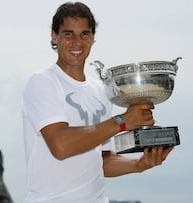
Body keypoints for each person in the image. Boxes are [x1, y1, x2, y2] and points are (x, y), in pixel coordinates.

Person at [21, 2, 174, 203]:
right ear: (54, 36)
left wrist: (138, 164)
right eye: (68, 34)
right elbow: (61, 145)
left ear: (93, 38)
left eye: (84, 34)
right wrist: (122, 121)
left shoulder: (101, 91)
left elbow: (101, 161)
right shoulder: (42, 82)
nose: (77, 42)